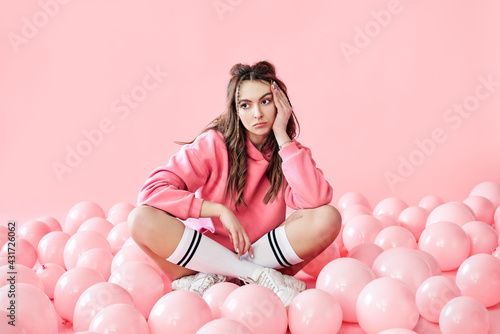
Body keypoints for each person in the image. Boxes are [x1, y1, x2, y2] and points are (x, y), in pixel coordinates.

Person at [128, 60, 341, 307]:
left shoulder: (290, 153)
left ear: (280, 104)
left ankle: (251, 273)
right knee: (140, 219)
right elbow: (151, 192)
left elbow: (315, 199)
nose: (257, 114)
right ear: (236, 111)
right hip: (204, 263)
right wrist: (218, 210)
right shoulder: (213, 145)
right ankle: (253, 276)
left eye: (265, 101)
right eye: (245, 105)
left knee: (328, 217)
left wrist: (283, 136)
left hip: (264, 256)